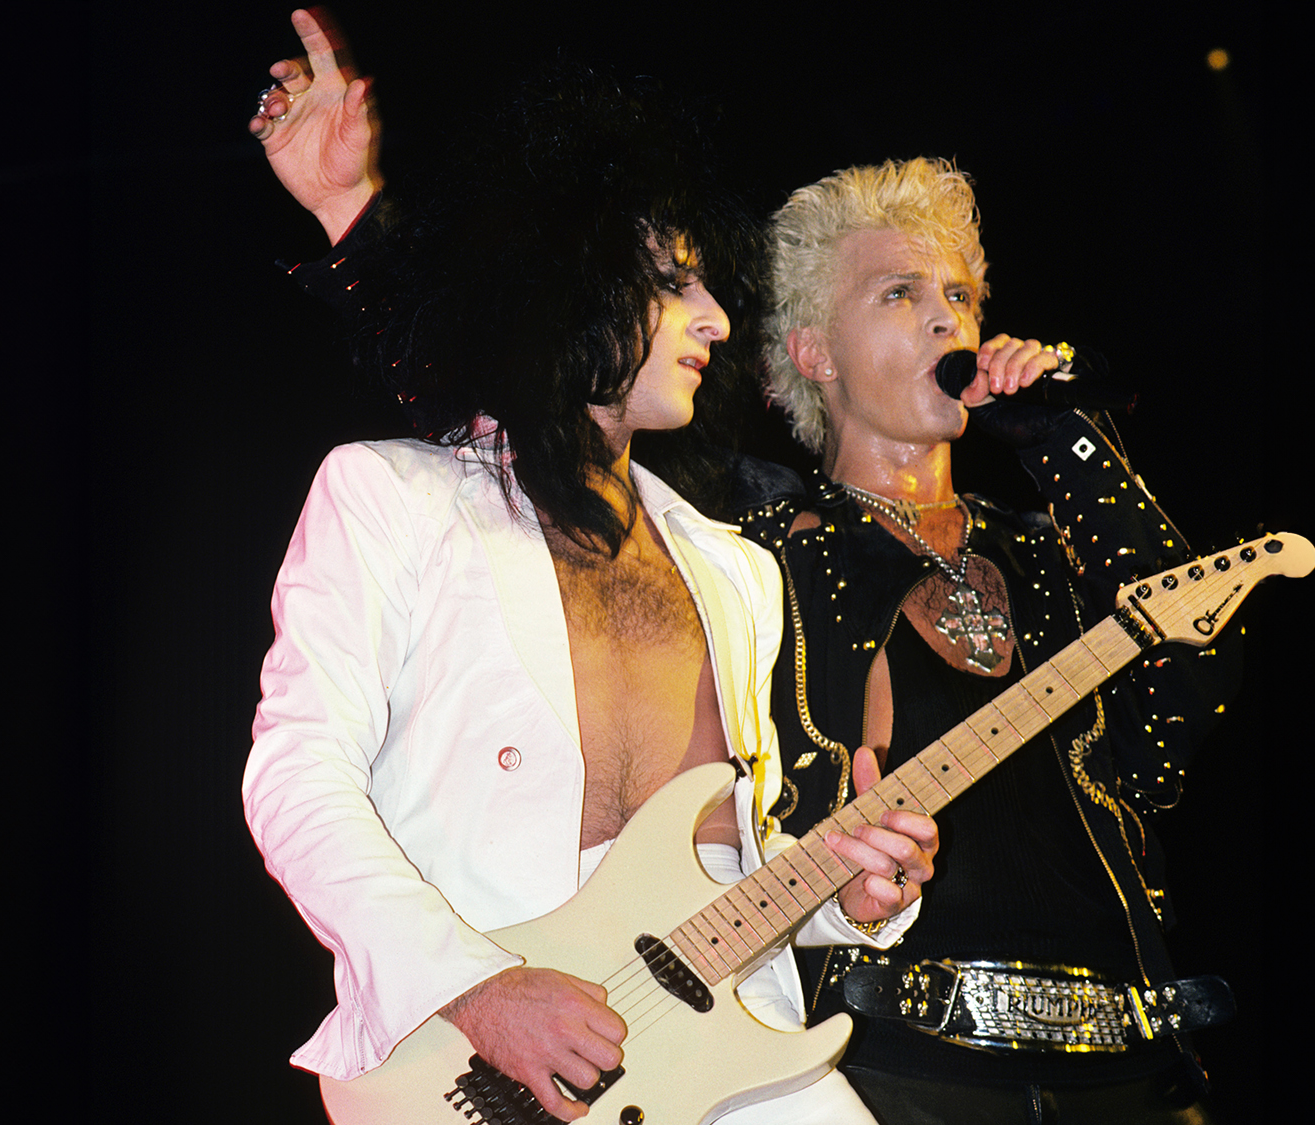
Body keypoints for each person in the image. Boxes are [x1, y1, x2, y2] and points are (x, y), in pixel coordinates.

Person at [239, 11, 936, 1124]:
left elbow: (729, 859)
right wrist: (474, 988)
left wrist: (844, 897)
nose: (714, 319)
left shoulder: (733, 571)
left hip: (726, 1048)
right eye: (676, 285)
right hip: (470, 1053)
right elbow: (296, 779)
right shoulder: (392, 496)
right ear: (570, 291)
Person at [732, 158, 1243, 1123]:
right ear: (815, 353)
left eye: (959, 295)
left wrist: (1065, 438)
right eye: (901, 292)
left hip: (1129, 1068)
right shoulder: (766, 561)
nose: (947, 322)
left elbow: (1187, 695)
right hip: (894, 1072)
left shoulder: (1051, 553)